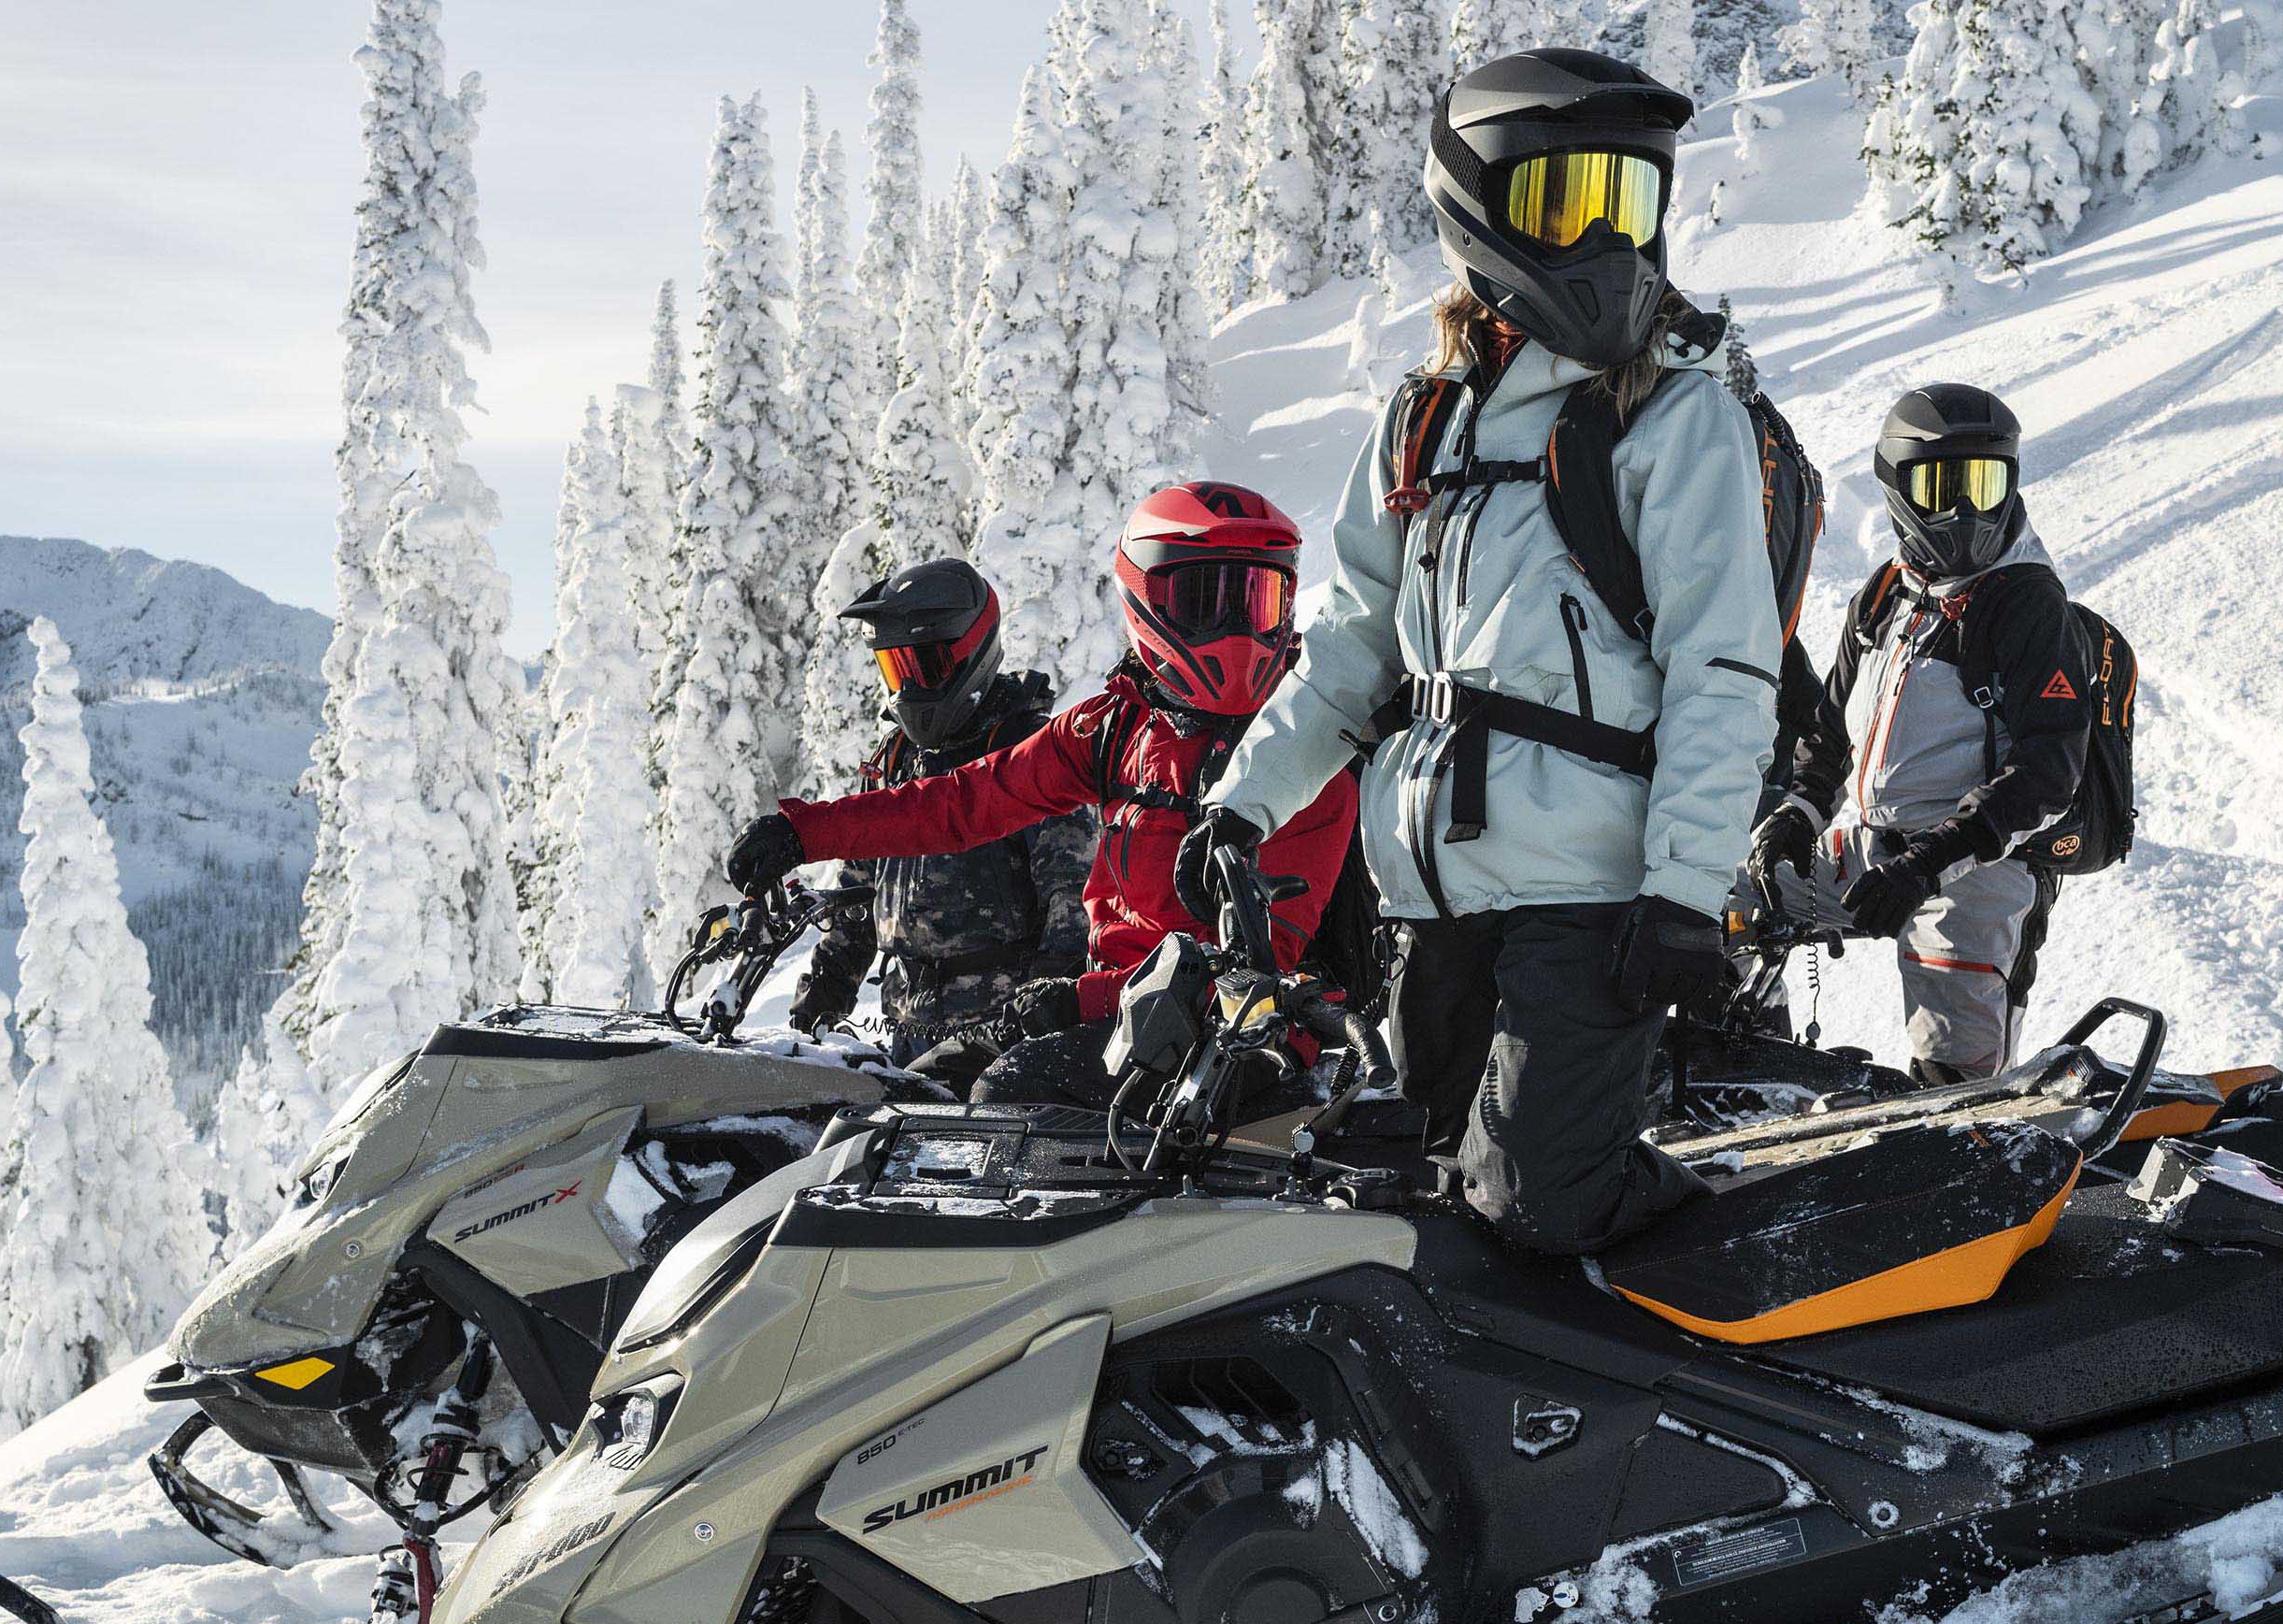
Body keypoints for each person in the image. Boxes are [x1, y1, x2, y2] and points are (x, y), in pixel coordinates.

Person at [1191, 48, 1781, 1255]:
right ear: (1478, 206)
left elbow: (1725, 665)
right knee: (1433, 1207)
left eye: (1630, 202)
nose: (1607, 240)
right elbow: (1352, 648)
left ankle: (1760, 1298)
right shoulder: (1419, 422)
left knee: (1538, 1208)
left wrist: (1684, 892)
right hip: (1430, 894)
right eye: (1569, 202)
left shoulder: (1673, 413)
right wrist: (1240, 808)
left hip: (1594, 892)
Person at [725, 483, 1357, 1106]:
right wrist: (805, 833)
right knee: (918, 1093)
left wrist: (1078, 999)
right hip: (1119, 1018)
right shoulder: (1115, 727)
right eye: (1203, 601)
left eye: (1256, 602)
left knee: (1005, 1095)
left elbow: (1259, 961)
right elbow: (965, 803)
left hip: (1236, 1036)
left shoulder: (1301, 746)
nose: (1235, 630)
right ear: (1144, 598)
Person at [1751, 383, 2085, 1084]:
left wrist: (1930, 862)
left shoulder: (2026, 605)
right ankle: (1755, 1067)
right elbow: (1828, 737)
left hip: (1981, 871)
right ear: (1896, 486)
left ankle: (1966, 1157)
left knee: (1953, 1079)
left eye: (1985, 484)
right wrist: (1797, 814)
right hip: (1880, 851)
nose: (1965, 509)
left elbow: (2050, 772)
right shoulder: (1882, 597)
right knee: (1734, 898)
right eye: (1942, 486)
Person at [783, 558, 1091, 1047]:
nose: (908, 688)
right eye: (895, 668)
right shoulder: (895, 759)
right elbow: (860, 892)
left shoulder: (1026, 757)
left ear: (972, 655)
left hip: (1001, 1034)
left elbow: (1073, 897)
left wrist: (1041, 1015)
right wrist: (823, 991)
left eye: (924, 667)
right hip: (905, 1024)